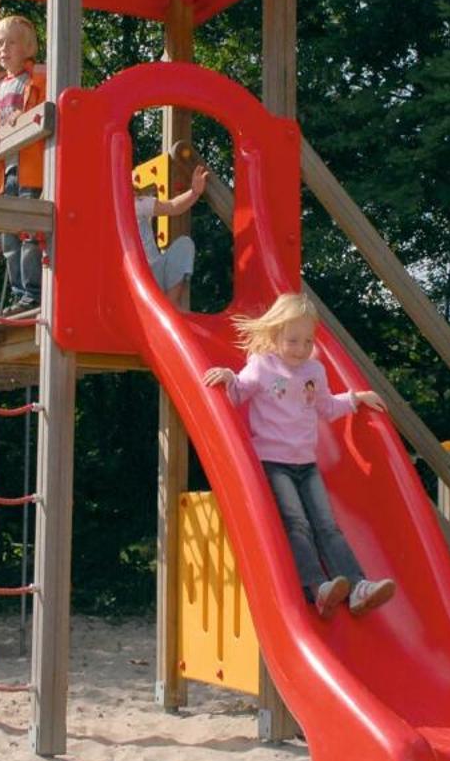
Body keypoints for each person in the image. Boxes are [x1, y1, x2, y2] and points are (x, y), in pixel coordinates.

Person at [202, 292, 399, 619]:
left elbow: (325, 406)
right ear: (276, 334)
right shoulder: (263, 365)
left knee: (328, 525)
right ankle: (317, 586)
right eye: (293, 340)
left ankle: (357, 586)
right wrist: (227, 377)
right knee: (297, 524)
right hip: (273, 463)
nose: (301, 347)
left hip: (306, 464)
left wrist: (354, 398)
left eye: (307, 340)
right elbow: (238, 393)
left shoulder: (314, 371)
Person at [0, 14, 47, 313]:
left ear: (28, 47)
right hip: (7, 171)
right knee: (9, 237)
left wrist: (29, 117)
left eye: (11, 42)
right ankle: (19, 291)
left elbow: (52, 105)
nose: (3, 48)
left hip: (32, 167)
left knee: (29, 232)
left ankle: (32, 292)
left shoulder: (38, 78)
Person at [135, 164, 207, 306]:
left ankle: (170, 306)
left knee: (184, 244)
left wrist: (194, 193)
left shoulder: (137, 204)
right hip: (131, 277)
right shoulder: (101, 217)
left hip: (154, 273)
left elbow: (173, 206)